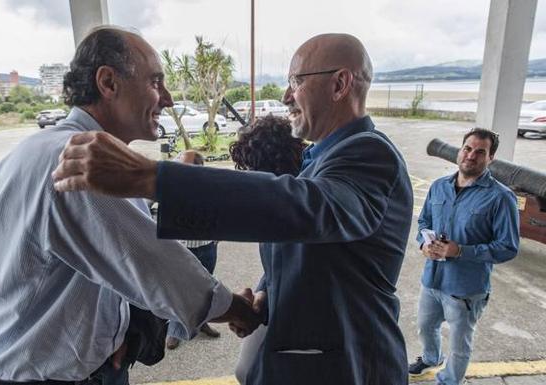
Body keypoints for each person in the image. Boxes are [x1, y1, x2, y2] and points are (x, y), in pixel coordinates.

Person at [53, 33, 414, 385]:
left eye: (296, 81)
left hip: (344, 369)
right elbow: (308, 245)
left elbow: (309, 209)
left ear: (339, 84)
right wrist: (265, 294)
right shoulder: (321, 157)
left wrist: (153, 178)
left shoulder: (368, 154)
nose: (287, 95)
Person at [0, 27, 259, 385]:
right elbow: (159, 269)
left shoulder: (29, 151)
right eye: (155, 82)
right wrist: (238, 310)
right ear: (108, 83)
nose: (167, 99)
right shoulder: (80, 164)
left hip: (33, 368)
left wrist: (116, 331)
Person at [408, 128, 519, 385]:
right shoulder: (438, 187)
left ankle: (448, 381)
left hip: (465, 289)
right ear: (460, 151)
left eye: (480, 152)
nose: (471, 155)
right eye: (467, 148)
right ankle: (430, 357)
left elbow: (508, 247)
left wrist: (460, 251)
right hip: (432, 280)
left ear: (490, 158)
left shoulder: (501, 197)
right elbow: (424, 221)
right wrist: (423, 245)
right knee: (426, 327)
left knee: (459, 345)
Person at [228, 115, 306, 384]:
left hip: (305, 320)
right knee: (245, 371)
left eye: (250, 169)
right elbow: (275, 264)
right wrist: (262, 292)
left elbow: (302, 273)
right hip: (275, 299)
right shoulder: (271, 204)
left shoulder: (302, 205)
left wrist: (257, 308)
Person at [165, 150, 221, 350]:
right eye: (177, 161)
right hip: (179, 249)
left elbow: (222, 212)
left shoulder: (209, 188)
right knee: (178, 290)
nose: (178, 165)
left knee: (206, 290)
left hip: (206, 248)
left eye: (184, 163)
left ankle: (201, 322)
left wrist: (217, 237)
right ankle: (174, 330)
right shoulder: (170, 187)